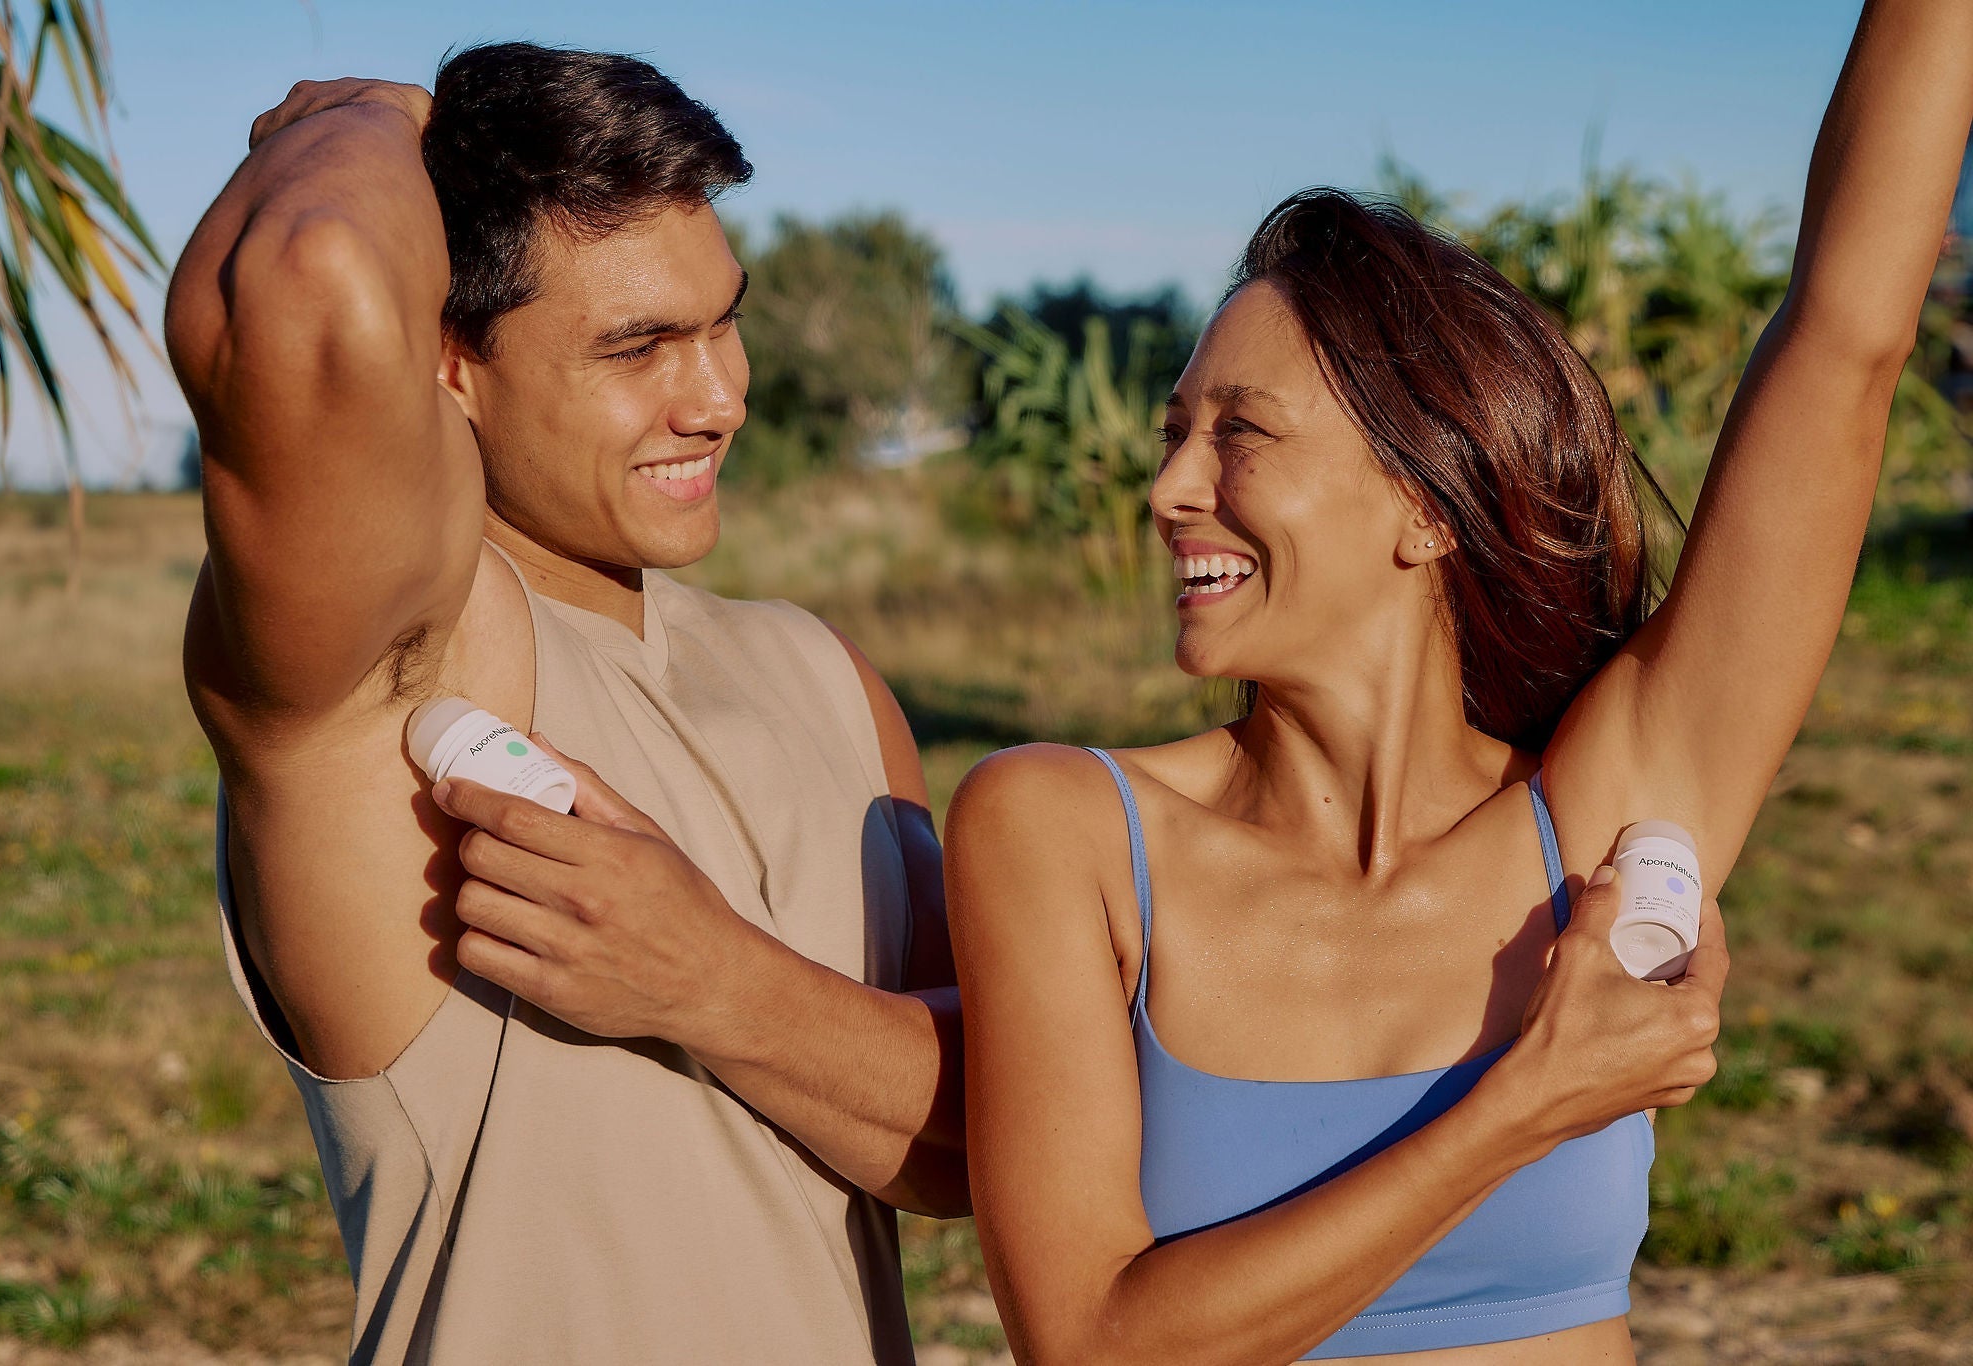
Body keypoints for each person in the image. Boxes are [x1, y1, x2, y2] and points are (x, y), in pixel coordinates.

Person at [945, 1, 1973, 1361]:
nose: (1167, 489)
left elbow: (1845, 343)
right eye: (1174, 432)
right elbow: (1091, 1338)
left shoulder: (1603, 810)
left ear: (1424, 508)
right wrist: (1525, 1101)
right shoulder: (1060, 828)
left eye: (1237, 433)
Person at [169, 44, 964, 1366]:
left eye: (724, 322)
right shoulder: (392, 668)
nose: (719, 398)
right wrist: (379, 112)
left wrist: (711, 981)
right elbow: (308, 279)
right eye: (641, 345)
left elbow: (977, 1143)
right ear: (448, 365)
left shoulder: (825, 673)